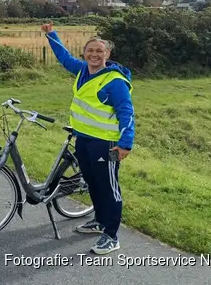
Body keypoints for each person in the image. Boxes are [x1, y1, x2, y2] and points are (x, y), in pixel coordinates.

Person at [41, 21, 135, 255]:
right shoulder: (82, 70)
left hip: (107, 143)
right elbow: (64, 58)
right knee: (92, 182)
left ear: (107, 54)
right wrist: (51, 34)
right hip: (83, 139)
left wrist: (125, 144)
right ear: (84, 53)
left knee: (109, 187)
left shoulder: (114, 81)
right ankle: (100, 221)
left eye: (99, 51)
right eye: (90, 51)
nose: (94, 55)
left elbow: (126, 112)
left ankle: (111, 235)